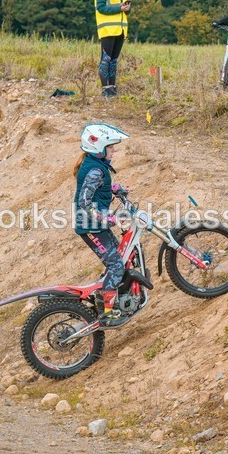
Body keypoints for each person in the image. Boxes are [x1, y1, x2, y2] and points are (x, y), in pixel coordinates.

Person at [73, 122, 130, 327]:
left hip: (96, 225)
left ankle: (105, 292)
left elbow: (97, 189)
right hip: (90, 228)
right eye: (111, 147)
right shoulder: (95, 171)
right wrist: (107, 219)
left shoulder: (97, 166)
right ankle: (106, 311)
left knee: (118, 258)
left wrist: (113, 188)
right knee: (116, 265)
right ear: (99, 148)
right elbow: (83, 202)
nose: (114, 150)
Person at [94, 0, 130, 98]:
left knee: (114, 60)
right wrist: (119, 8)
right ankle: (105, 89)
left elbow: (124, 11)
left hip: (120, 30)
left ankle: (113, 88)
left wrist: (127, 9)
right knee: (106, 60)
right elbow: (101, 8)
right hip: (107, 29)